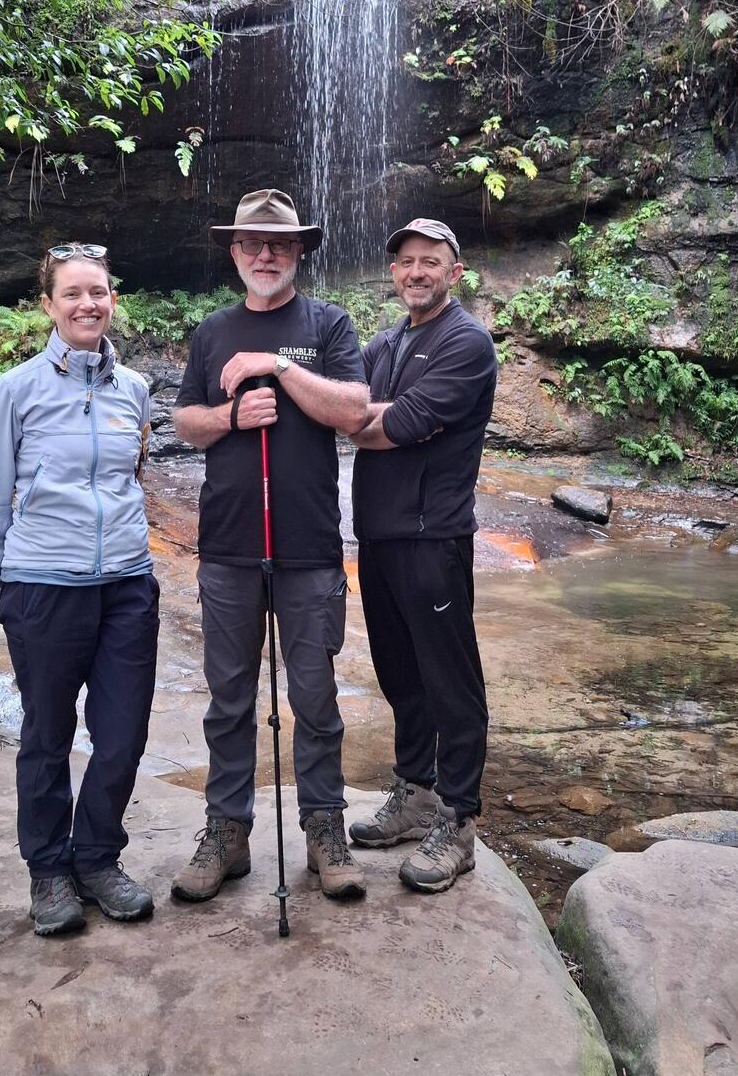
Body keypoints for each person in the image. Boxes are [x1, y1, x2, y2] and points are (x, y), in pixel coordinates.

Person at [170, 189, 370, 903]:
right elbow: (185, 422)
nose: (264, 255)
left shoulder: (329, 324)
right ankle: (227, 832)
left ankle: (324, 829)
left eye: (278, 245)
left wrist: (278, 368)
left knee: (315, 697)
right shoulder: (210, 332)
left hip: (310, 548)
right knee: (228, 699)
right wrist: (231, 414)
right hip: (228, 546)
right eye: (252, 244)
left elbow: (352, 411)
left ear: (298, 253)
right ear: (233, 253)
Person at [0, 242, 159, 937]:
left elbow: (131, 478)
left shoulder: (133, 389)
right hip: (44, 588)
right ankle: (49, 870)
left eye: (99, 292)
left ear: (113, 300)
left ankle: (98, 858)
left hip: (129, 586)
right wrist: (10, 580)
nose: (88, 304)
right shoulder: (12, 393)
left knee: (123, 733)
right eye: (72, 293)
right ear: (47, 305)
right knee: (48, 734)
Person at [349, 218, 497, 893]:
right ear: (393, 273)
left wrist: (361, 420)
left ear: (454, 272)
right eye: (406, 262)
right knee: (401, 674)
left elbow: (395, 426)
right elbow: (365, 418)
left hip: (433, 537)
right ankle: (414, 794)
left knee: (451, 680)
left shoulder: (467, 343)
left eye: (430, 262)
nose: (417, 272)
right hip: (378, 538)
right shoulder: (383, 344)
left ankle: (459, 821)